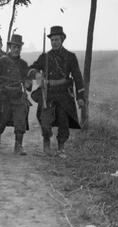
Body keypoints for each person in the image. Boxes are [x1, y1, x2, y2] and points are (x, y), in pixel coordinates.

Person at [28, 26, 85, 158]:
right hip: (48, 93)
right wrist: (37, 74)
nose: (54, 42)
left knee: (63, 120)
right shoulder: (45, 57)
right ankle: (46, 143)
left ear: (62, 40)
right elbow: (31, 69)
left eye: (57, 39)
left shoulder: (71, 57)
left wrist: (80, 97)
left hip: (64, 94)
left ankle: (61, 148)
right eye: (52, 40)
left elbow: (77, 77)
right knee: (45, 120)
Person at [0, 34, 32, 155]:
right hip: (4, 95)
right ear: (10, 47)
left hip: (18, 95)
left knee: (20, 119)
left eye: (18, 47)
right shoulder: (3, 60)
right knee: (2, 120)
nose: (16, 49)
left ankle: (18, 146)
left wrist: (28, 84)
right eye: (14, 46)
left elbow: (28, 82)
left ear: (21, 48)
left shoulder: (23, 64)